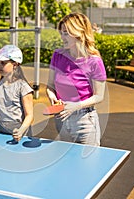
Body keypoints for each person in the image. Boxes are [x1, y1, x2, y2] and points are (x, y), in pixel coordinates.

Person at [46, 13, 107, 146]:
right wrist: (52, 98)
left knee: (89, 165)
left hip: (85, 122)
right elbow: (50, 86)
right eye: (61, 33)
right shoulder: (57, 55)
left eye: (66, 33)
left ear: (79, 33)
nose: (62, 37)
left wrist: (75, 106)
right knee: (68, 161)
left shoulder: (94, 61)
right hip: (62, 119)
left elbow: (99, 96)